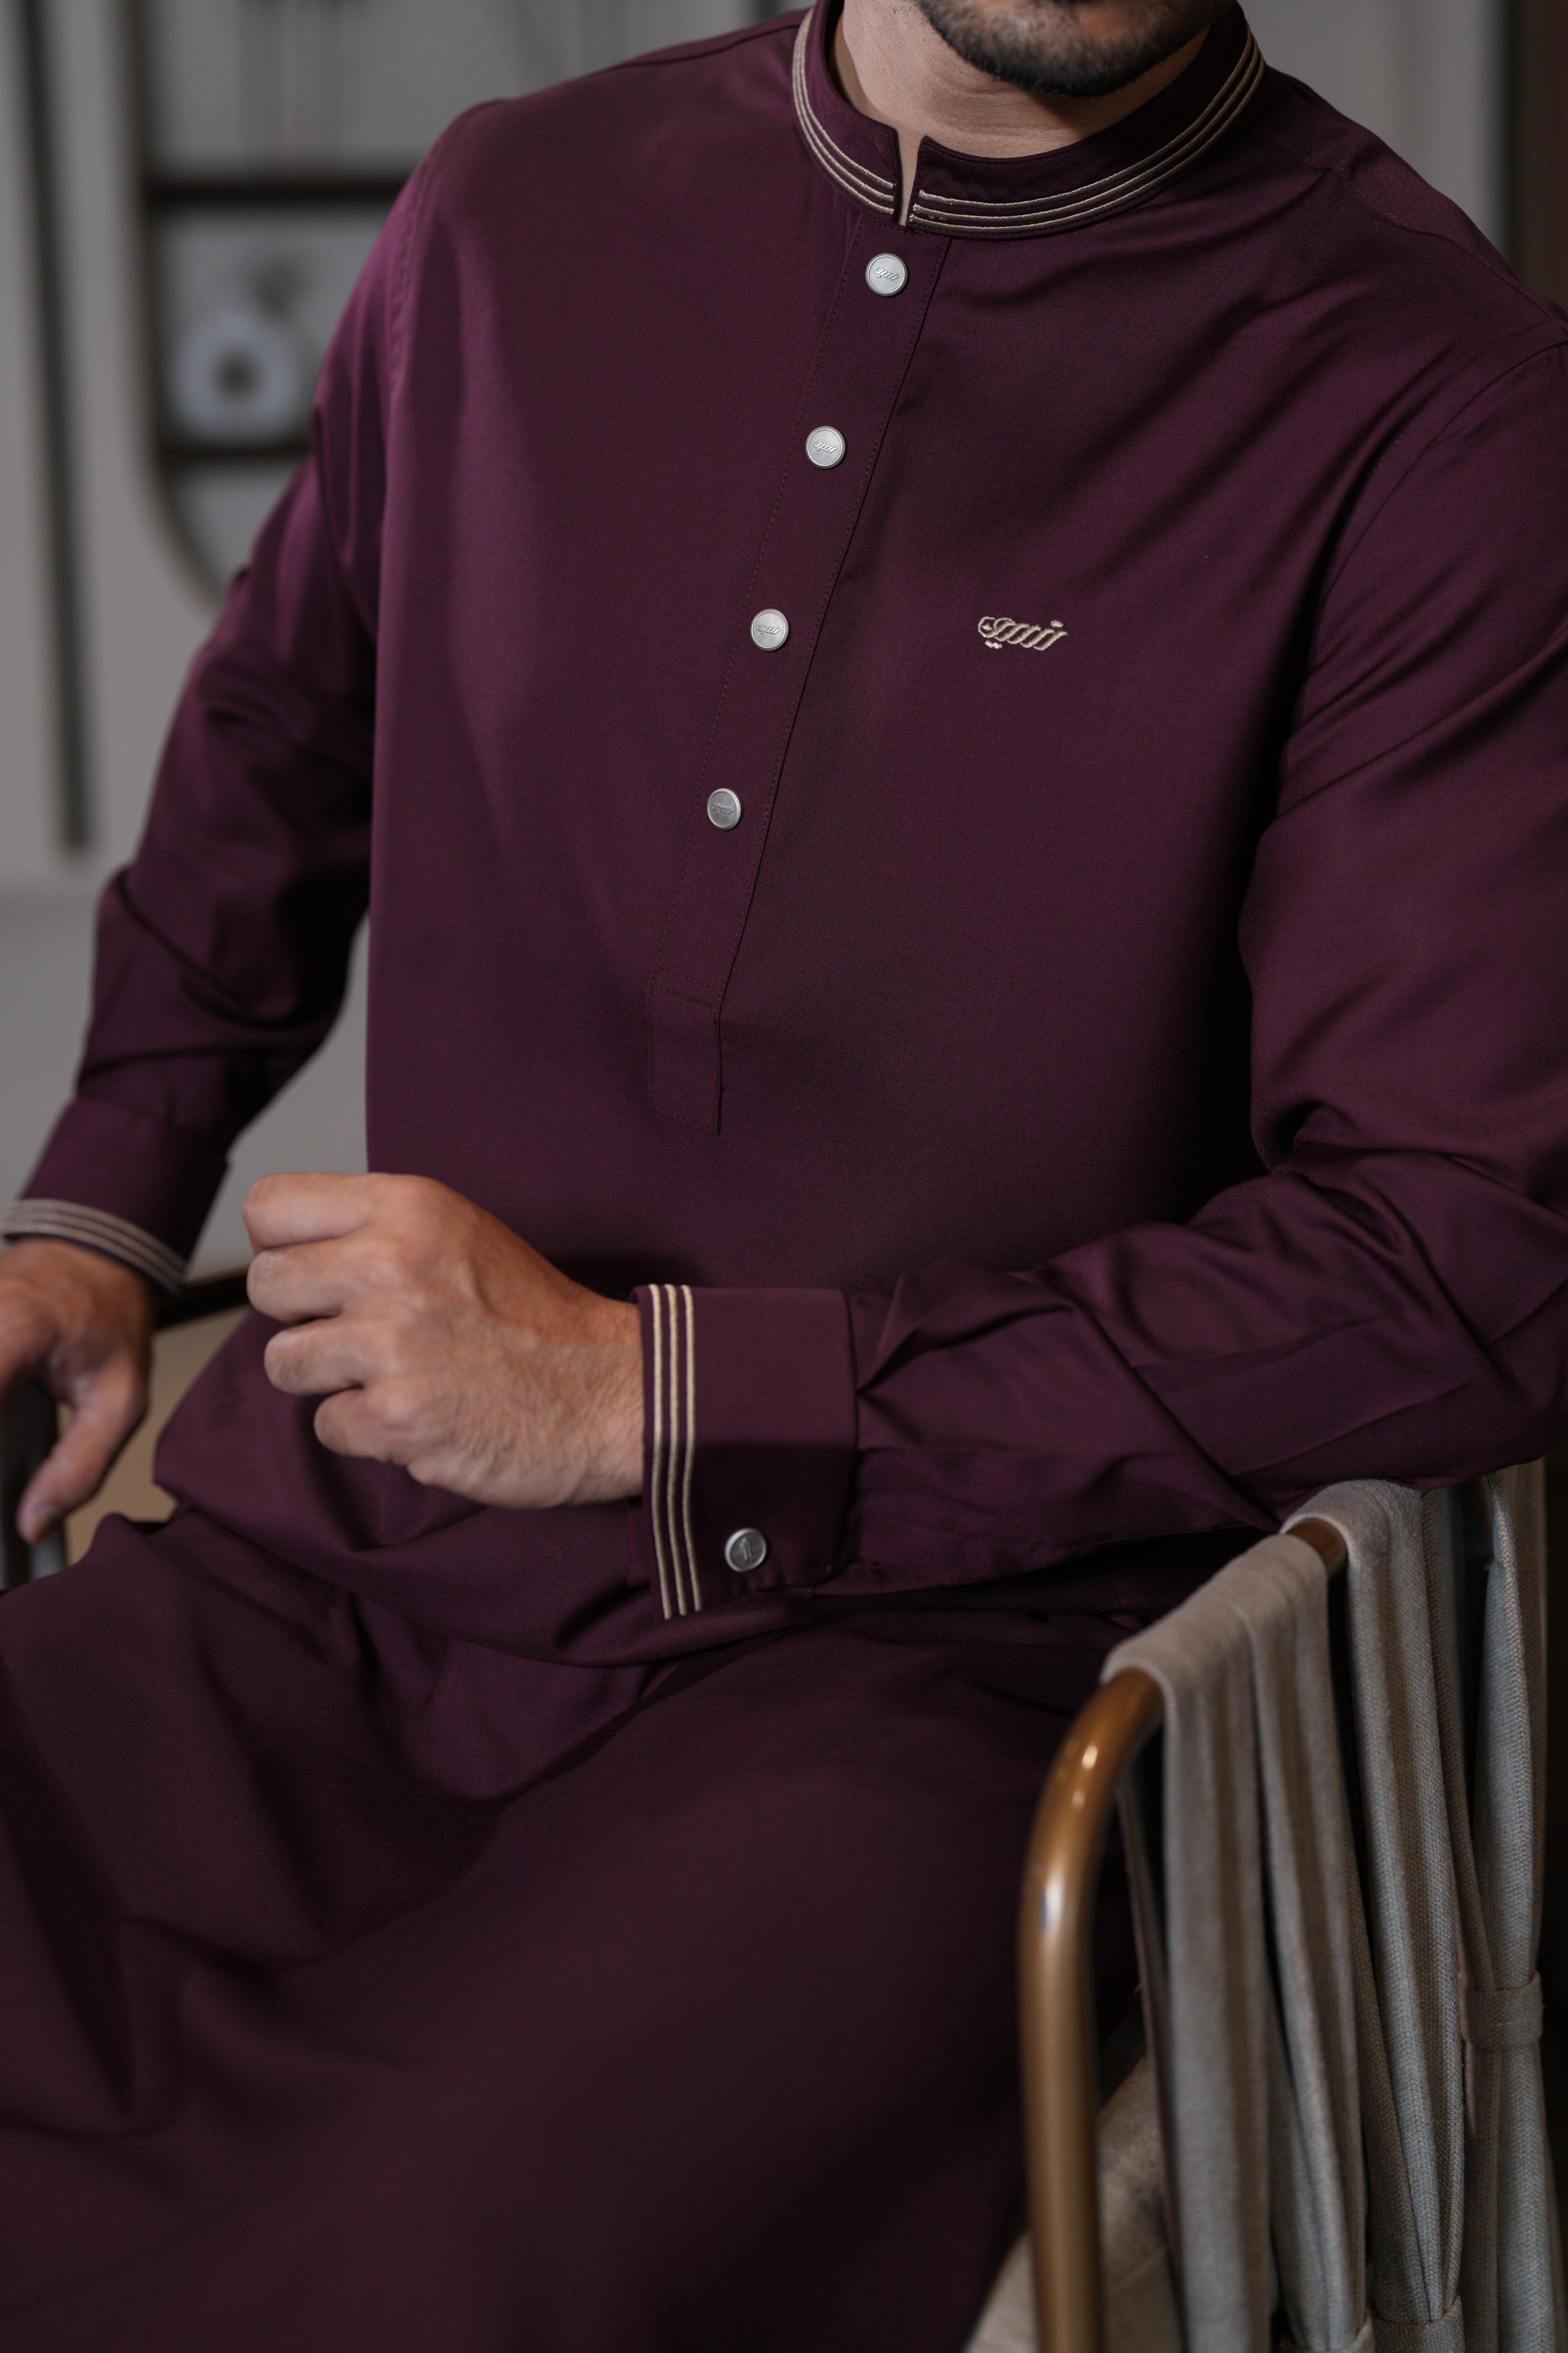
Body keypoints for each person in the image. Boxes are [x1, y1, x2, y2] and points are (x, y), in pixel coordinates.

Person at [2, 0, 1566, 2343]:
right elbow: (280, 733)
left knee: (422, 2266)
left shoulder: (1440, 407)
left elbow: (1462, 1263)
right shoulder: (508, 213)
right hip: (331, 1563)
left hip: (928, 1678)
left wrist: (655, 1397)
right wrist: (96, 1208)